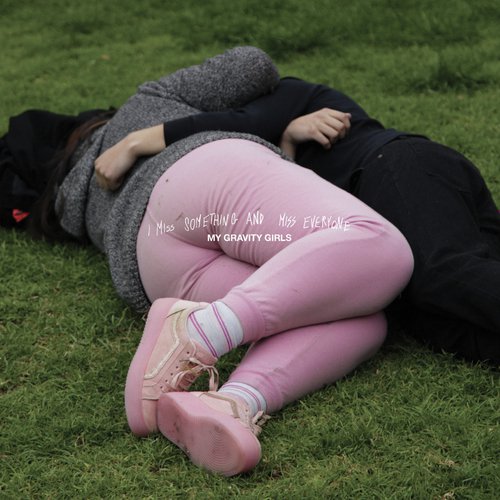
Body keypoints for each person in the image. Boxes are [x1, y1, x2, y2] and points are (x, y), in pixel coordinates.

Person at [1, 47, 413, 476]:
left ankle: (232, 402)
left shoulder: (75, 202)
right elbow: (252, 64)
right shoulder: (145, 104)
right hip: (204, 178)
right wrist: (262, 123)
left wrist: (286, 141)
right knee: (380, 246)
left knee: (364, 318)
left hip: (154, 262)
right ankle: (200, 331)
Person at [99, 56, 500, 365]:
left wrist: (136, 142)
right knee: (432, 320)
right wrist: (289, 142)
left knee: (444, 274)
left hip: (393, 167)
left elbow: (246, 119)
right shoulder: (276, 141)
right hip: (392, 213)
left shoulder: (292, 94)